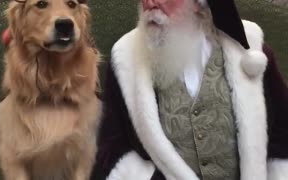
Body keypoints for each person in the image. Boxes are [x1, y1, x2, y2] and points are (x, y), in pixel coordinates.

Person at [91, 0, 288, 179]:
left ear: (198, 3)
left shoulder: (250, 50)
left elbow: (282, 135)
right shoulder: (125, 62)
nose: (150, 3)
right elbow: (111, 149)